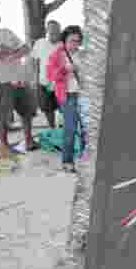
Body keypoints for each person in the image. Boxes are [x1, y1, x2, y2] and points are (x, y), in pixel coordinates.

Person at [0, 2, 39, 151]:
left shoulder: (7, 32)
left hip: (18, 78)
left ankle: (29, 141)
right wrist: (16, 52)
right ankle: (3, 146)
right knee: (2, 115)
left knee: (27, 111)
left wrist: (12, 54)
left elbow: (27, 48)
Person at [46, 25, 87, 173]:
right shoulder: (56, 55)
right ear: (64, 41)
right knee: (69, 129)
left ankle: (85, 159)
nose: (74, 44)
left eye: (77, 41)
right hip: (67, 96)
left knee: (86, 130)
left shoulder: (84, 55)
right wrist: (65, 70)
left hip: (84, 96)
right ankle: (67, 162)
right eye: (71, 41)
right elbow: (50, 76)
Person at [32, 20, 63, 128]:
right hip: (43, 82)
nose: (54, 31)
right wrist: (35, 80)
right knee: (47, 109)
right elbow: (36, 63)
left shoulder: (64, 45)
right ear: (47, 30)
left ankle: (64, 131)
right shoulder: (39, 43)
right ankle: (52, 129)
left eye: (57, 29)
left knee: (64, 110)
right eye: (52, 29)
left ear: (60, 30)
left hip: (61, 84)